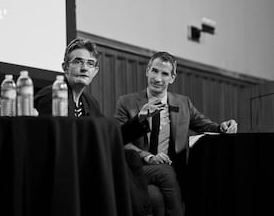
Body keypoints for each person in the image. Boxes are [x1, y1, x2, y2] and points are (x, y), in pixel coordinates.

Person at [34, 38, 158, 216]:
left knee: (128, 156)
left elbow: (109, 138)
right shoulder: (51, 95)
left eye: (90, 64)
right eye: (78, 61)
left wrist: (139, 119)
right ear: (65, 67)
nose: (84, 68)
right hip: (63, 167)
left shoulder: (90, 103)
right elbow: (51, 143)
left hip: (86, 164)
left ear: (95, 71)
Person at [115, 51, 238, 216]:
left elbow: (204, 125)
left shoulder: (183, 103)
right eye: (154, 71)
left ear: (172, 77)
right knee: (161, 183)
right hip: (138, 167)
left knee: (161, 197)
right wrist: (148, 156)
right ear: (147, 71)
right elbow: (118, 139)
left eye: (164, 73)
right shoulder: (126, 102)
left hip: (175, 170)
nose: (158, 78)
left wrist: (222, 127)